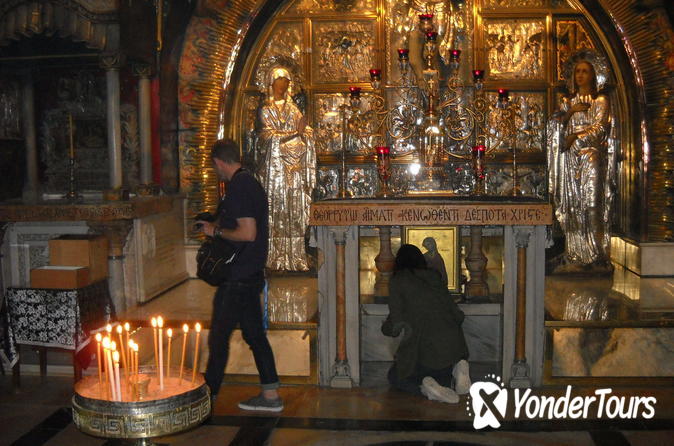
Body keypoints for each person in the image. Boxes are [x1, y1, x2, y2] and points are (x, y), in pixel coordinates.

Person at [196, 139, 282, 412]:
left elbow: (247, 233)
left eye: (215, 166)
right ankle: (271, 396)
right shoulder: (248, 183)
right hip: (249, 273)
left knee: (218, 338)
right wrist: (215, 221)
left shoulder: (240, 187)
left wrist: (214, 231)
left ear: (219, 162)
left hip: (238, 277)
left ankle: (207, 397)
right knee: (254, 335)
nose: (216, 170)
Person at [547, 54, 614, 272]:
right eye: (577, 71)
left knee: (592, 204)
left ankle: (596, 255)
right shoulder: (567, 103)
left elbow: (600, 129)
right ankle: (574, 254)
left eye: (585, 71)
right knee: (573, 205)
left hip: (590, 156)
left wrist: (576, 137)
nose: (580, 75)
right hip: (569, 159)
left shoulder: (600, 101)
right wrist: (569, 114)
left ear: (593, 75)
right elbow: (554, 128)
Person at [381, 244, 470, 403]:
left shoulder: (398, 279)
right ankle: (458, 367)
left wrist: (386, 329)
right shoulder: (434, 277)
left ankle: (424, 389)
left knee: (395, 376)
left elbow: (396, 321)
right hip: (454, 346)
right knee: (441, 375)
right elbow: (457, 315)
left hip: (424, 347)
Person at [257, 67, 316, 272]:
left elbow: (305, 130)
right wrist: (294, 133)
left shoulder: (292, 109)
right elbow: (267, 137)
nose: (283, 84)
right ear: (272, 83)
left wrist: (306, 133)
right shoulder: (266, 109)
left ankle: (295, 256)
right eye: (280, 80)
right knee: (277, 209)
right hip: (276, 171)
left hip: (294, 168)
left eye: (286, 81)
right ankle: (275, 257)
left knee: (295, 209)